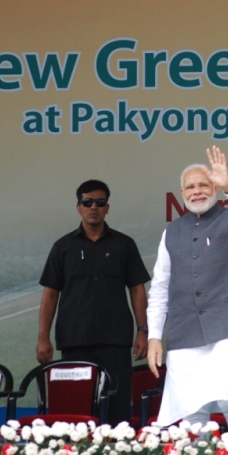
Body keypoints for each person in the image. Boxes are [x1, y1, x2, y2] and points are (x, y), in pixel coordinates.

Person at [147, 146, 228, 427]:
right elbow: (160, 287)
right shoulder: (171, 232)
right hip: (185, 331)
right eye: (190, 187)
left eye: (204, 184)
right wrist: (154, 336)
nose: (197, 191)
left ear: (214, 187)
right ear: (182, 193)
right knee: (192, 413)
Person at [37, 179, 150, 425]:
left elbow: (137, 290)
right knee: (76, 410)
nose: (93, 207)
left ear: (107, 207)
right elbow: (50, 294)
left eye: (100, 202)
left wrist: (143, 331)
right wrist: (43, 337)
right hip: (74, 339)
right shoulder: (63, 247)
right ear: (78, 207)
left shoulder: (124, 245)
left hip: (115, 341)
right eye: (87, 202)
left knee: (117, 408)